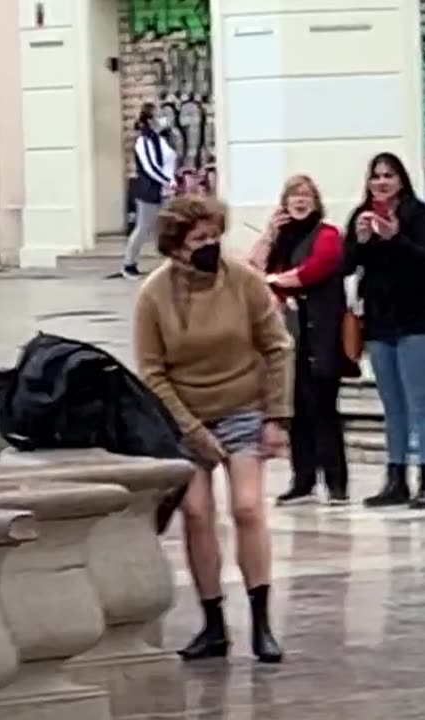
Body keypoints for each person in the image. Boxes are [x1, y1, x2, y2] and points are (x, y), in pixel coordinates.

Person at [133, 194, 293, 664]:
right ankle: (213, 624)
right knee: (198, 512)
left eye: (214, 235)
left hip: (243, 404)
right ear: (176, 246)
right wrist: (193, 431)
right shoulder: (154, 296)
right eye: (199, 239)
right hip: (184, 415)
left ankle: (262, 621)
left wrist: (277, 416)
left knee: (246, 508)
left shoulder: (242, 279)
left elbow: (277, 346)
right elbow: (151, 372)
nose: (210, 245)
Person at [250, 174, 356, 506]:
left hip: (322, 335)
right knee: (295, 410)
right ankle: (303, 479)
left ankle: (336, 482)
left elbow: (314, 270)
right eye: (294, 194)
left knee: (324, 409)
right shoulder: (283, 239)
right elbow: (251, 269)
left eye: (307, 194)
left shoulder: (327, 235)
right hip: (289, 338)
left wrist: (273, 280)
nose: (300, 200)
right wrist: (269, 233)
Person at [347, 152, 425, 510]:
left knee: (421, 402)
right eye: (376, 176)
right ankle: (396, 478)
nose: (382, 182)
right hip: (378, 322)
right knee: (392, 406)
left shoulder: (416, 215)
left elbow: (423, 263)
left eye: (389, 175)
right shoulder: (362, 215)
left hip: (417, 321)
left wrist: (394, 238)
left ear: (401, 180)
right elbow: (345, 265)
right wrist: (359, 241)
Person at [119, 102, 178, 279]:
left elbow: (171, 159)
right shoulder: (142, 142)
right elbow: (150, 167)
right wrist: (168, 180)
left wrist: (172, 179)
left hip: (166, 190)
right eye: (159, 115)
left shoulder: (161, 140)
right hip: (149, 191)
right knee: (143, 228)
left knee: (169, 228)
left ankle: (172, 264)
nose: (163, 118)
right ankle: (129, 264)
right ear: (150, 119)